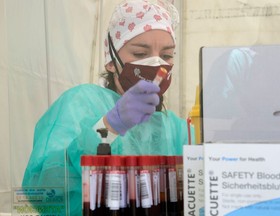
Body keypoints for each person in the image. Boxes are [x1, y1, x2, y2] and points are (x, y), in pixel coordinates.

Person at [22, 0, 194, 215]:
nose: (157, 64)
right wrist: (108, 127)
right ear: (111, 61)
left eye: (167, 56)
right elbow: (41, 193)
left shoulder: (177, 131)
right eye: (140, 54)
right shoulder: (81, 104)